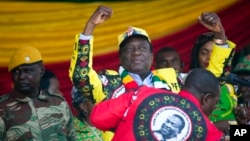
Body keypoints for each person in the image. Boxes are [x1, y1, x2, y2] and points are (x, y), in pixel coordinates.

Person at [69, 5, 179, 140]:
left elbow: (210, 85)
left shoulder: (171, 80)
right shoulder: (107, 82)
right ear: (120, 58)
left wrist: (214, 38)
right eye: (129, 49)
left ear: (151, 55)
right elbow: (81, 76)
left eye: (142, 48)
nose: (136, 52)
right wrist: (90, 26)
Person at [90, 68, 223, 141]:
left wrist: (128, 121)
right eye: (215, 103)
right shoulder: (207, 131)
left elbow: (97, 117)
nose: (214, 108)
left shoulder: (143, 93)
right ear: (207, 98)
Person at [0, 46, 76, 141]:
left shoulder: (59, 104)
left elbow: (71, 138)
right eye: (16, 71)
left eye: (27, 71)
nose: (22, 76)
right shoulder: (2, 107)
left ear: (41, 71)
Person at [189, 31, 238, 134]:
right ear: (196, 56)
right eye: (204, 52)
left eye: (214, 53)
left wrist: (242, 122)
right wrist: (214, 127)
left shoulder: (229, 88)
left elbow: (241, 132)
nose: (209, 57)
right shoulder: (186, 84)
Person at [231, 44, 250, 125]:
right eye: (238, 82)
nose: (242, 88)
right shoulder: (234, 105)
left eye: (246, 82)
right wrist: (242, 124)